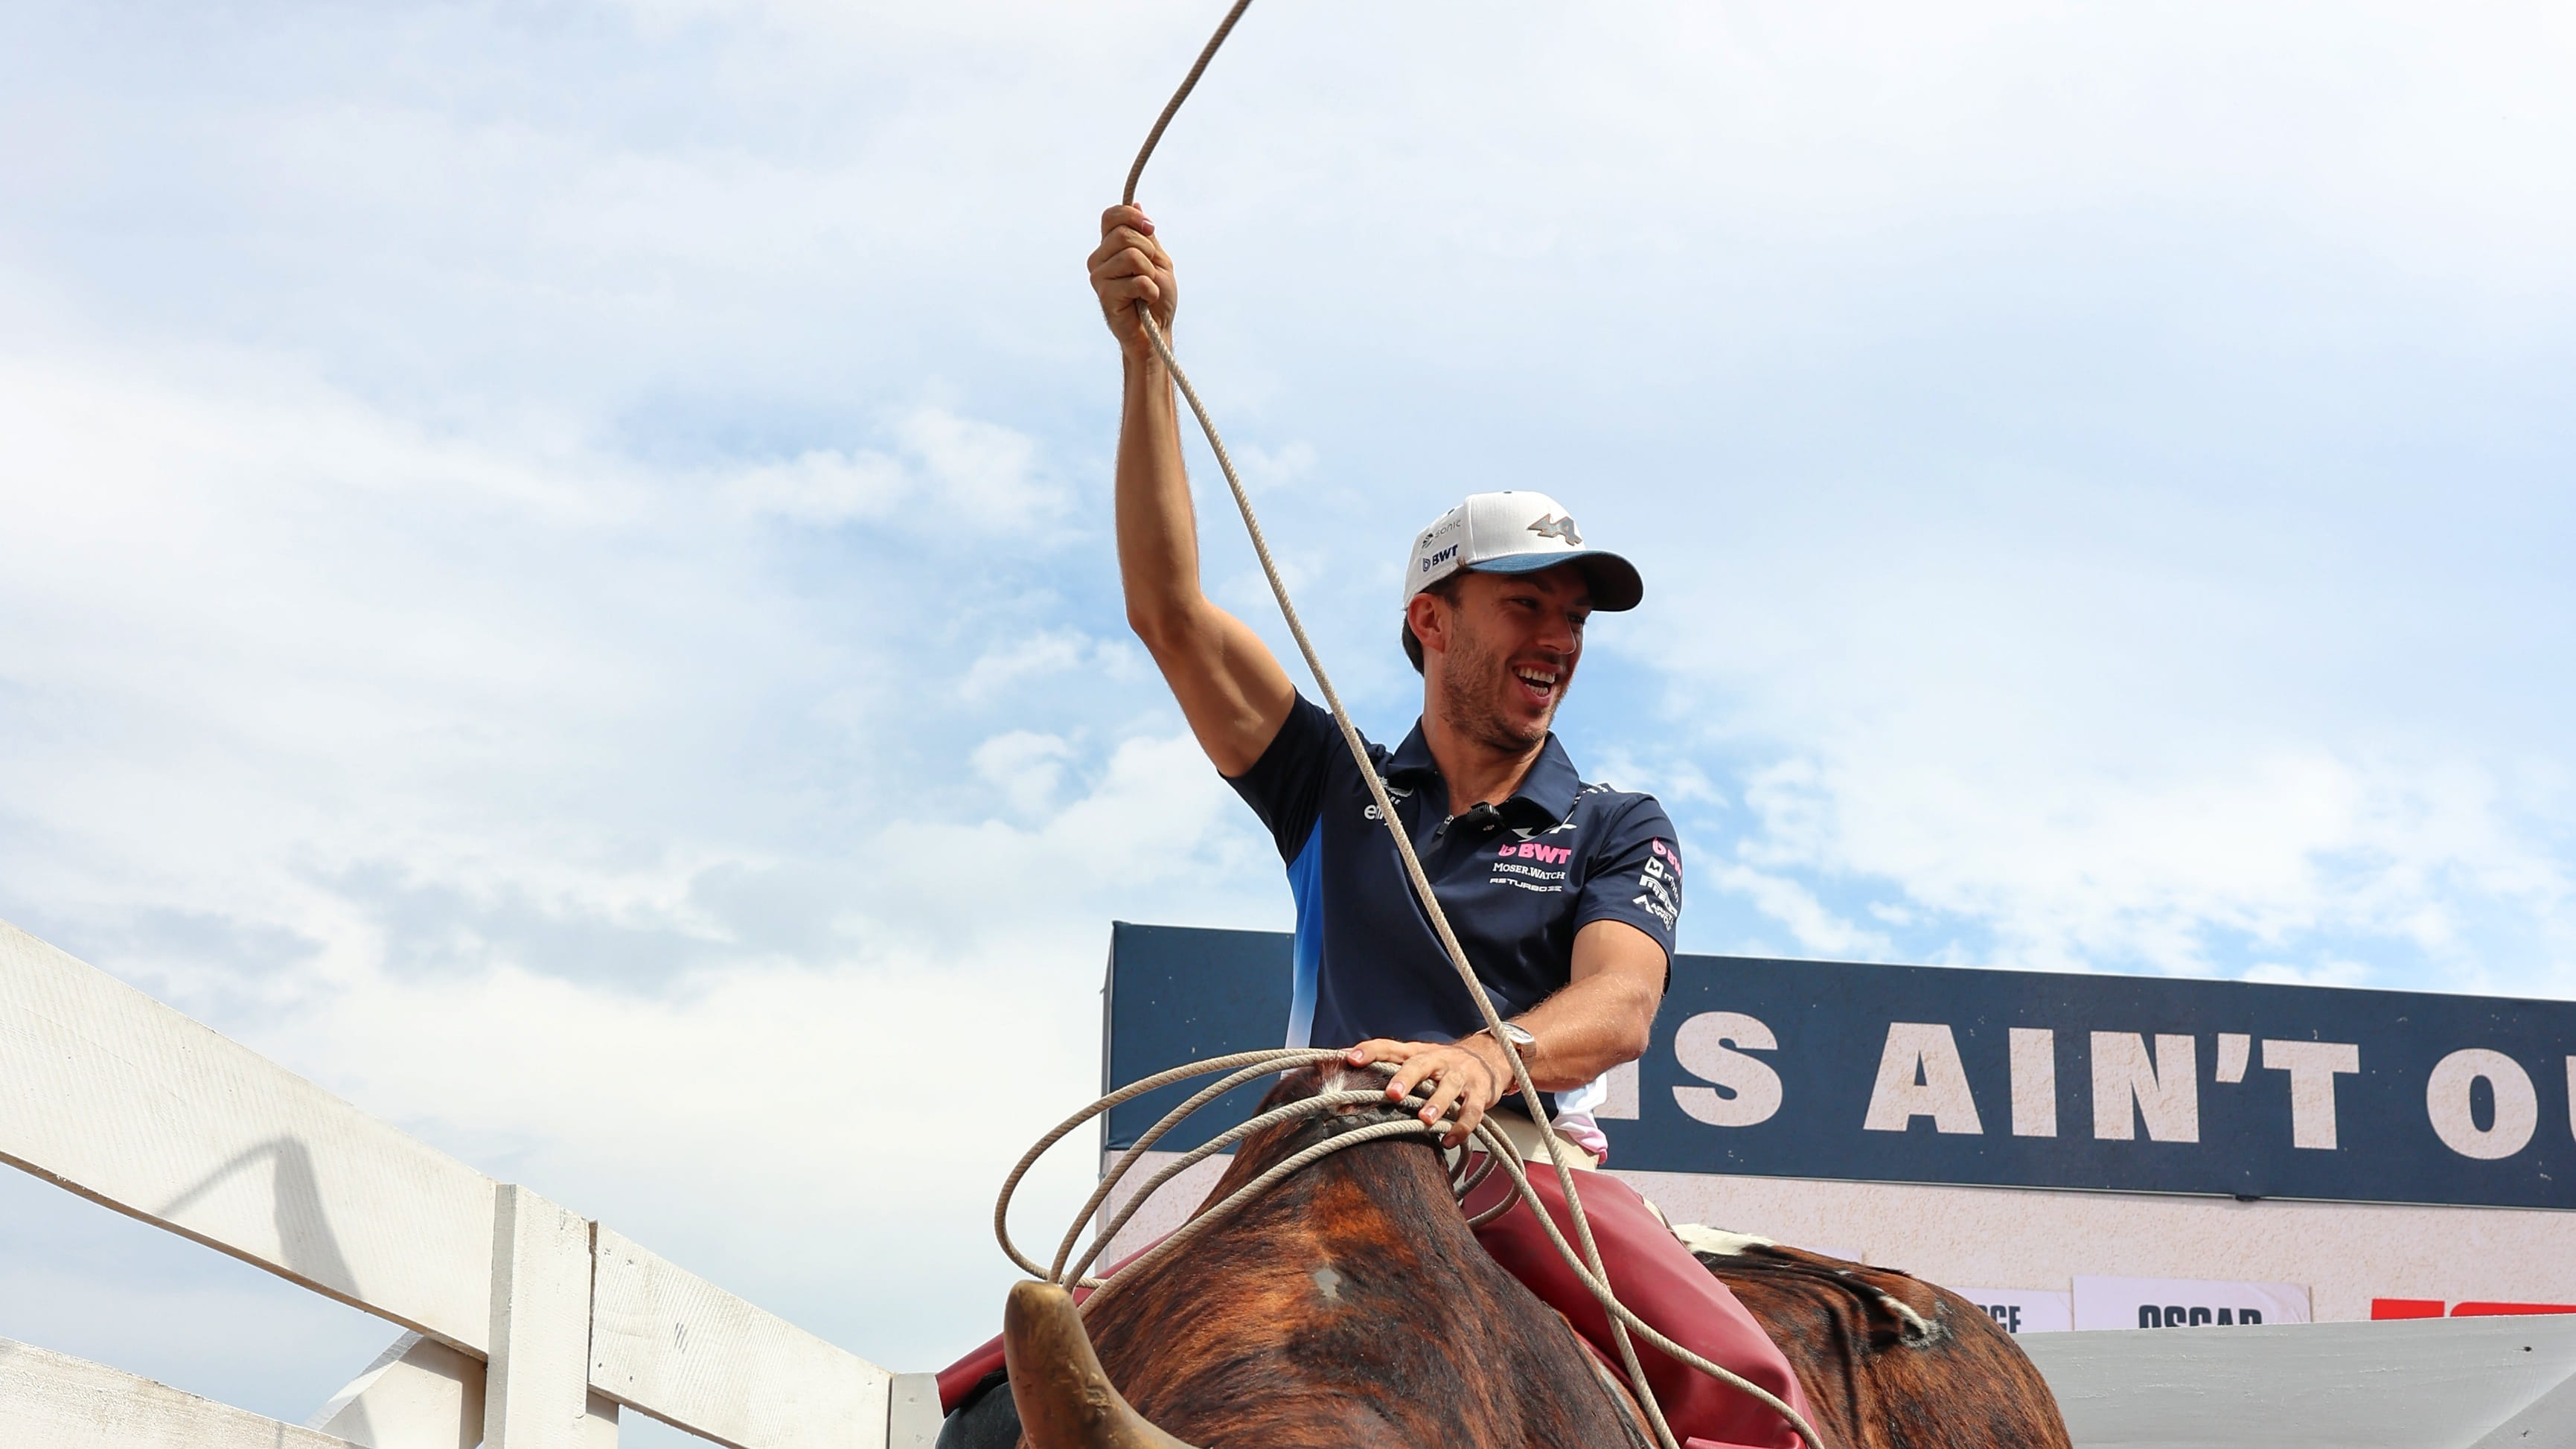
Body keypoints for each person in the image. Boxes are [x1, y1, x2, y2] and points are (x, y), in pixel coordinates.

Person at [933, 206, 1815, 1449]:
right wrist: (1144, 357)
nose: (1558, 637)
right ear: (1431, 621)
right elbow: (1169, 612)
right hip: (1305, 1158)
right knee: (983, 1416)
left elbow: (1618, 1008)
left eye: (1575, 614)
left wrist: (1483, 1059)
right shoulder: (1325, 781)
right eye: (1525, 603)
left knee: (1757, 1400)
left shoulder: (1617, 821)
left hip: (1523, 1172)